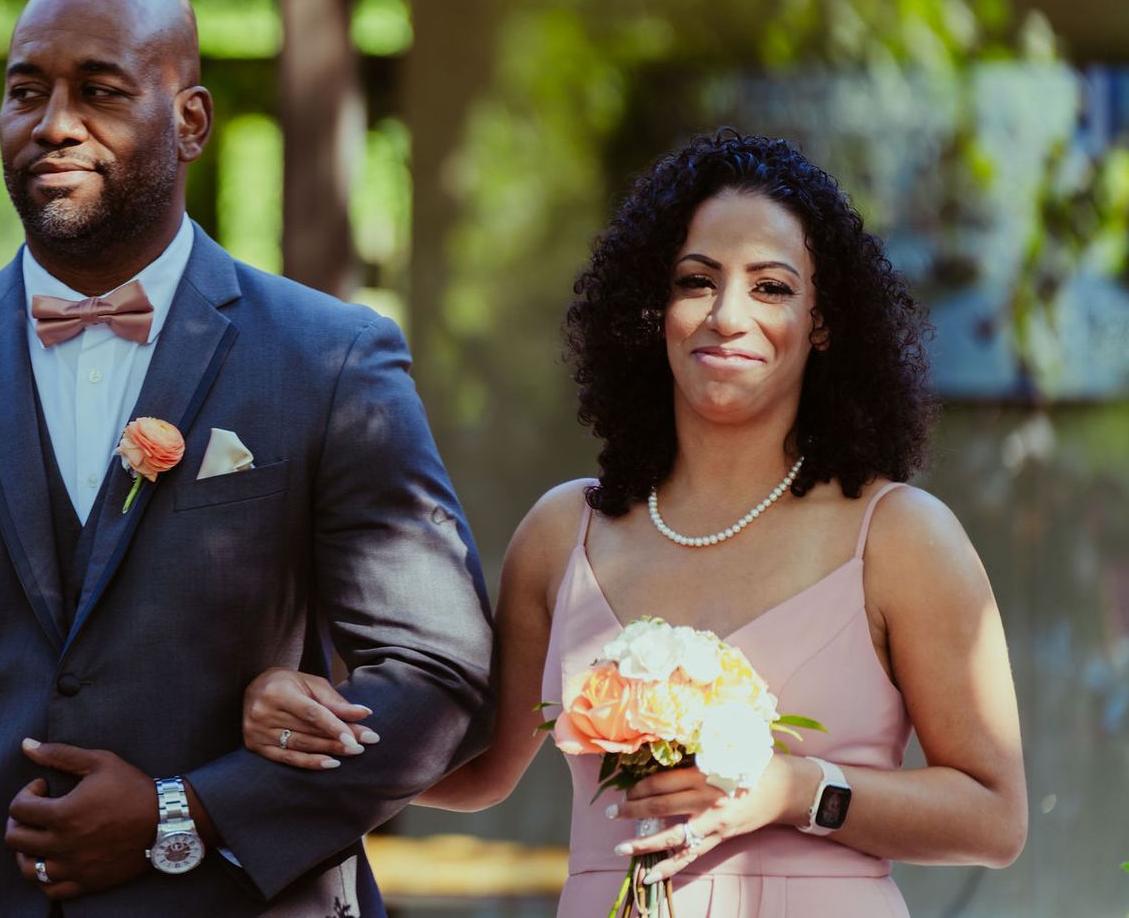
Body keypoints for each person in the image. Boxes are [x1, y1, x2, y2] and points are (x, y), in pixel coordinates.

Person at [0, 0, 495, 916]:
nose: (53, 123)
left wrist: (186, 812)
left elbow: (439, 679)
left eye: (100, 91)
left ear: (191, 121)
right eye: (27, 91)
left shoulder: (330, 362)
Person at [243, 131, 1027, 915]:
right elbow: (475, 771)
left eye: (771, 288)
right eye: (697, 281)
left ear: (823, 323)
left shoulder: (898, 536)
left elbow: (995, 818)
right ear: (654, 310)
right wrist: (307, 721)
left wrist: (799, 789)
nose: (727, 316)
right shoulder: (564, 532)